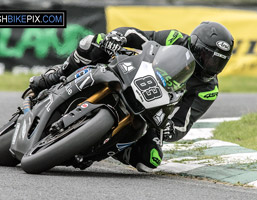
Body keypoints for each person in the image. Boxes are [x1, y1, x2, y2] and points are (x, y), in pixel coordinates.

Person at [29, 21, 234, 172]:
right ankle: (55, 76)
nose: (211, 66)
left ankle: (103, 147)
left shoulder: (209, 88)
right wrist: (119, 37)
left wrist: (169, 129)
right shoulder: (174, 38)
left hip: (155, 110)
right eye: (208, 57)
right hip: (134, 75)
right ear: (195, 46)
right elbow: (140, 35)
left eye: (218, 62)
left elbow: (183, 123)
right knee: (94, 42)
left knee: (150, 160)